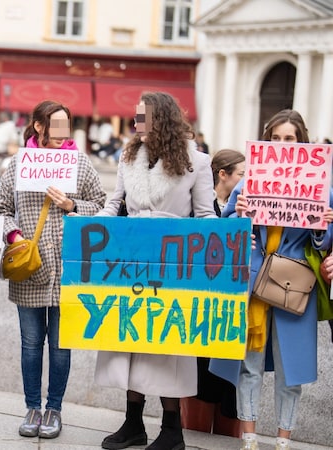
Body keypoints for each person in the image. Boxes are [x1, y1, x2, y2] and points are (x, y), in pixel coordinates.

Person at [94, 91, 215, 450]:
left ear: (159, 119)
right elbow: (114, 204)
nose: (134, 124)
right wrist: (82, 229)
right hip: (129, 261)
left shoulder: (198, 162)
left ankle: (172, 429)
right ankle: (133, 424)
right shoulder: (129, 156)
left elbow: (207, 216)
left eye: (141, 117)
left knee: (167, 344)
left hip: (172, 263)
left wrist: (232, 239)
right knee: (129, 338)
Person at [210, 110, 333, 450]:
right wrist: (240, 217)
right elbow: (225, 229)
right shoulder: (247, 186)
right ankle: (249, 436)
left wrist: (322, 226)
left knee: (289, 369)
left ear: (301, 142)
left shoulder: (322, 189)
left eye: (289, 138)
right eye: (275, 138)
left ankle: (283, 440)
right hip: (252, 283)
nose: (282, 144)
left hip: (295, 284)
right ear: (266, 141)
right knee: (247, 366)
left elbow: (323, 242)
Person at [0, 100, 106, 439]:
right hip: (30, 269)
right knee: (31, 343)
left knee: (60, 346)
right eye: (55, 125)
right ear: (39, 126)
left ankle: (54, 409)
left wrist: (71, 205)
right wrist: (13, 235)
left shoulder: (81, 164)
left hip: (67, 270)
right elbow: (0, 208)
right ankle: (32, 407)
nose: (61, 133)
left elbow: (100, 203)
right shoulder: (17, 164)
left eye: (66, 126)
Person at [179, 149, 245, 437]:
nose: (246, 181)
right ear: (223, 174)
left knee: (230, 383)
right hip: (200, 308)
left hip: (232, 309)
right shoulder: (200, 206)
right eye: (241, 174)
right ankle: (194, 430)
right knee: (201, 375)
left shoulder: (247, 208)